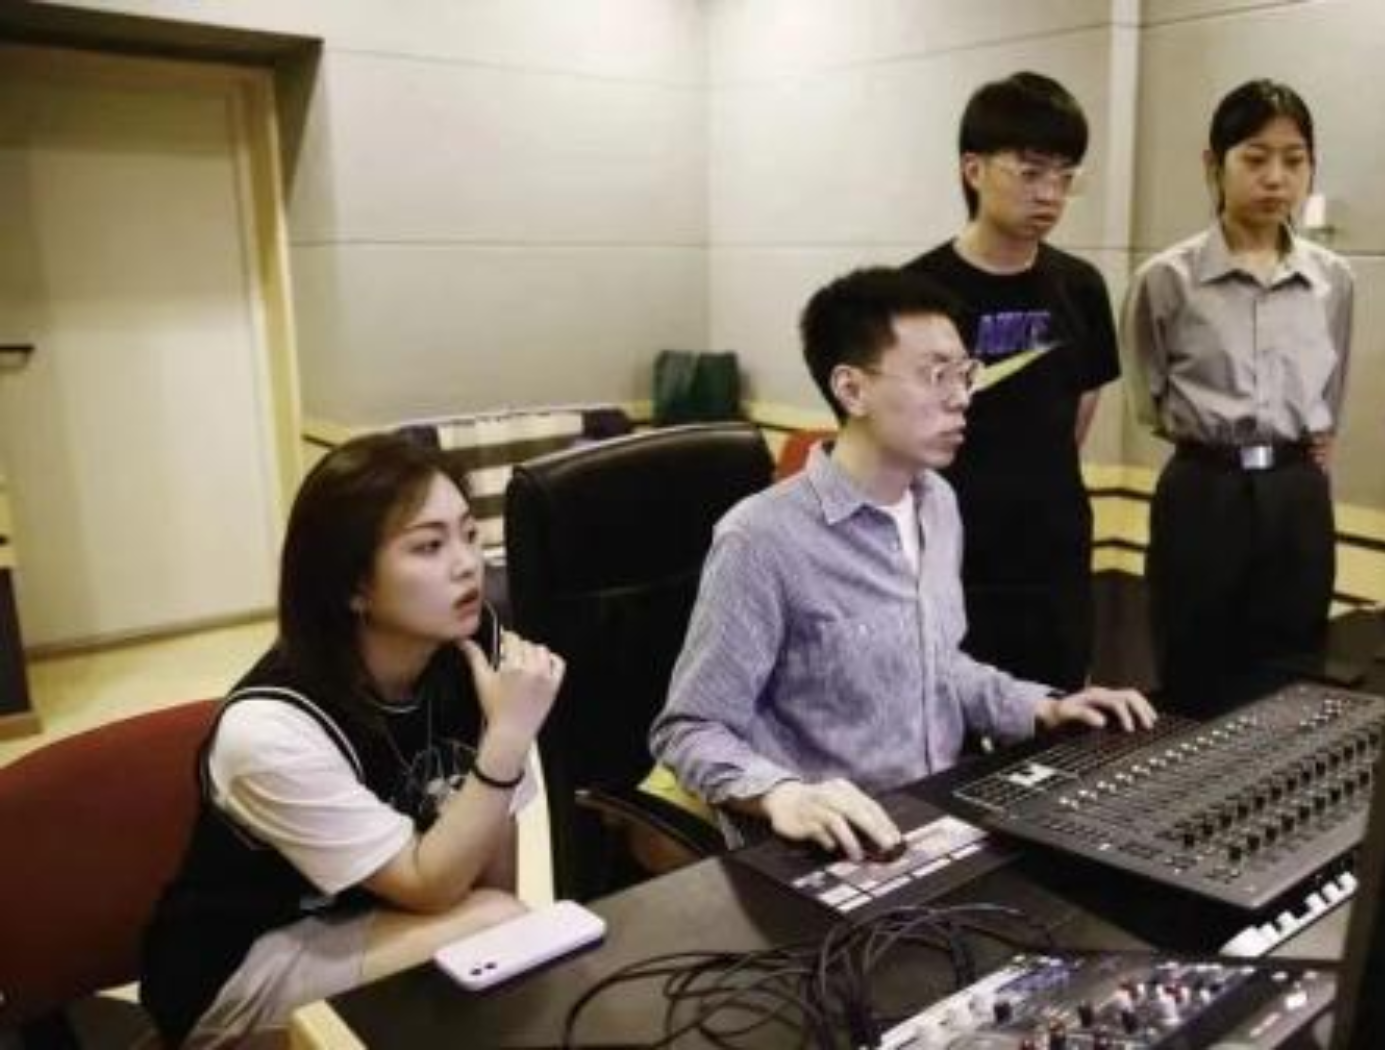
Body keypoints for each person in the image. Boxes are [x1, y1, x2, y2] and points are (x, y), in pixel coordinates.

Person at [649, 267, 1154, 862]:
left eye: (965, 374)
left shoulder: (938, 503)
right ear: (852, 390)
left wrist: (1042, 707)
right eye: (936, 375)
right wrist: (781, 793)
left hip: (939, 818)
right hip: (834, 846)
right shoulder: (761, 539)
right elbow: (690, 729)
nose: (962, 397)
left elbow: (938, 666)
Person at [141, 434, 563, 1047]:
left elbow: (487, 868)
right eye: (429, 546)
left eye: (470, 534)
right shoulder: (270, 730)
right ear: (352, 585)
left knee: (502, 932)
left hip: (380, 915)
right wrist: (507, 737)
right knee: (496, 926)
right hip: (245, 964)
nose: (467, 564)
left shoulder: (469, 648)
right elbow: (429, 885)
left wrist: (493, 952)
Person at [1122, 79, 1353, 715]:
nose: (1276, 178)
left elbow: (1332, 387)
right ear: (1213, 164)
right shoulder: (1166, 280)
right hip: (1205, 487)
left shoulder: (1333, 280)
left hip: (1296, 492)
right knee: (1193, 668)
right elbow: (1148, 396)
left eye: (1294, 160)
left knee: (1295, 675)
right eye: (1255, 158)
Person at [904, 71, 1122, 692]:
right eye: (1030, 172)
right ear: (973, 170)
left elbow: (1077, 417)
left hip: (1054, 558)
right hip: (949, 559)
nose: (1050, 193)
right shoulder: (916, 293)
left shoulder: (1081, 286)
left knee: (1059, 719)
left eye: (1065, 175)